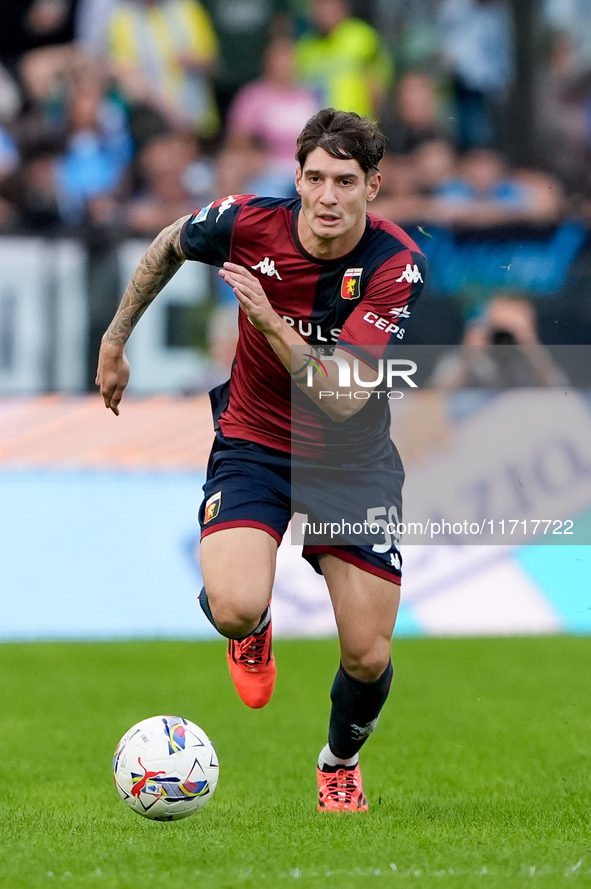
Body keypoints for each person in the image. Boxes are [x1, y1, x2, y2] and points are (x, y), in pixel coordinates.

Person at [95, 108, 426, 812]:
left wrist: (270, 321)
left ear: (373, 185)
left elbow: (340, 399)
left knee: (366, 654)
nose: (327, 196)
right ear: (297, 178)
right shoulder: (245, 223)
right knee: (235, 606)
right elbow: (163, 246)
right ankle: (252, 632)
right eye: (314, 178)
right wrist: (116, 338)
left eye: (344, 180)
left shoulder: (394, 266)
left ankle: (338, 760)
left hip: (350, 460)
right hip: (255, 441)